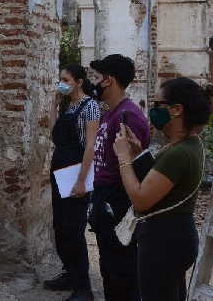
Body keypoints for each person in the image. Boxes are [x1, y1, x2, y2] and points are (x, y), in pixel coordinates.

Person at [114, 78, 212, 301]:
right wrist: (138, 153)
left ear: (177, 110)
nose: (152, 111)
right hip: (175, 235)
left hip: (164, 241)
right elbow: (163, 182)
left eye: (157, 104)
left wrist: (123, 158)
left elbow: (140, 199)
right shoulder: (188, 144)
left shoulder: (178, 153)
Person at [87, 54, 151, 301]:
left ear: (109, 80)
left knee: (122, 270)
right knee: (109, 268)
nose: (94, 82)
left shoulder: (128, 116)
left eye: (97, 77)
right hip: (104, 198)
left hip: (119, 199)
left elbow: (136, 164)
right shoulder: (110, 113)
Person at [44, 64, 101, 301]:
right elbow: (53, 133)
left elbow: (90, 146)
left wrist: (81, 181)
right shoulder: (69, 106)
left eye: (66, 79)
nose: (62, 83)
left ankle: (83, 288)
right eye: (61, 79)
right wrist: (54, 104)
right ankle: (69, 273)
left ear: (78, 81)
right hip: (60, 170)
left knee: (74, 229)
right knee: (60, 227)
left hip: (77, 173)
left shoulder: (90, 107)